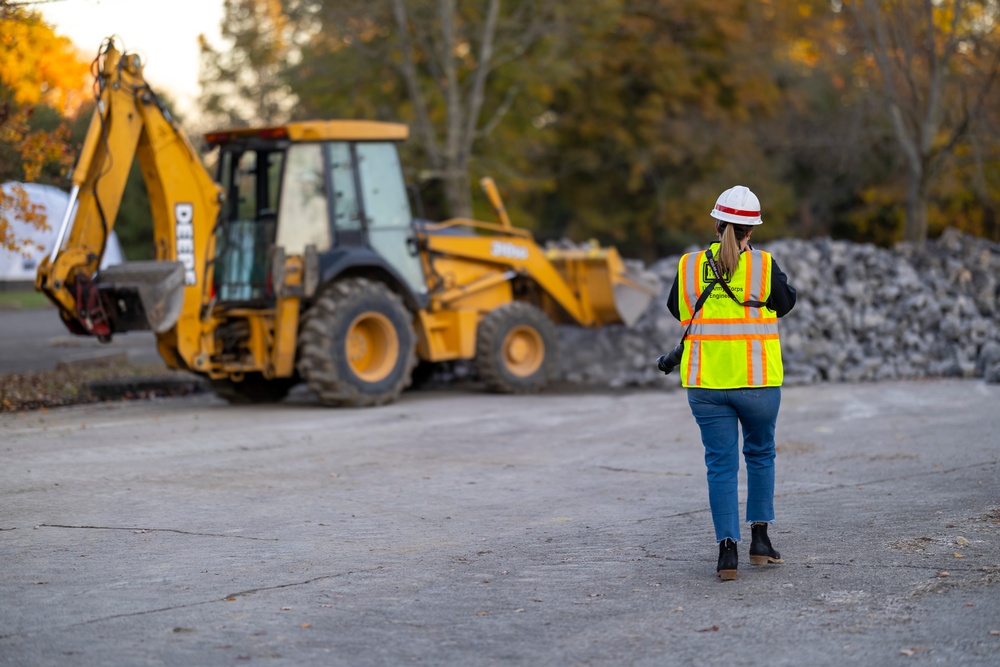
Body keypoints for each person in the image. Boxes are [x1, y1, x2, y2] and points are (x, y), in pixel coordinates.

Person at [662, 185, 796, 581]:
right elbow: (786, 304)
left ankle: (727, 554)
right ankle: (760, 544)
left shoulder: (688, 266)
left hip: (705, 384)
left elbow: (676, 309)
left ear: (717, 222)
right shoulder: (764, 265)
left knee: (720, 466)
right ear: (750, 231)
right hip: (756, 383)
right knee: (760, 456)